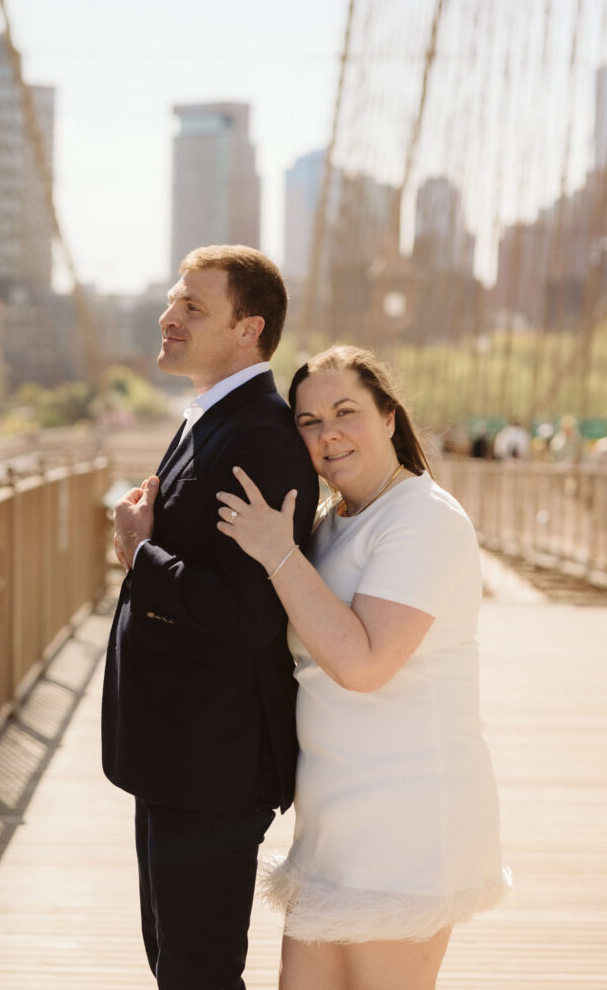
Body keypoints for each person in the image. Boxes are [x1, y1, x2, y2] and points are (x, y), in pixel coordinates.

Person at [216, 345, 509, 990]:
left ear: (389, 419)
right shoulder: (329, 523)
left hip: (407, 821)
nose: (328, 434)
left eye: (346, 411)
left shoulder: (423, 519)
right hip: (333, 823)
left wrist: (275, 552)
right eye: (309, 421)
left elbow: (367, 662)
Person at [101, 245, 320, 990]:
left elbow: (249, 611)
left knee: (197, 972)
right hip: (180, 755)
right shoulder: (212, 419)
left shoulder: (256, 435)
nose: (169, 317)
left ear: (247, 329)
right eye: (172, 301)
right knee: (175, 960)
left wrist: (140, 555)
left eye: (194, 308)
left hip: (213, 761)